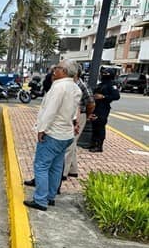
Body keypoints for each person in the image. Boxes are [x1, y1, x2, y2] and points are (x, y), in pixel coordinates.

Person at [24, 60, 81, 211]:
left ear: (64, 71)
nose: (54, 70)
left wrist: (41, 129)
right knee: (56, 167)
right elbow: (75, 111)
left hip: (53, 133)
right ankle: (50, 197)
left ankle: (40, 200)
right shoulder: (75, 88)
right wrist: (75, 123)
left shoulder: (59, 87)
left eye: (58, 68)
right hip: (66, 134)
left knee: (41, 166)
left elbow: (50, 111)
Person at [63, 67, 95, 177]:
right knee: (72, 142)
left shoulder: (82, 85)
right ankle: (73, 170)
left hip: (79, 115)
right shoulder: (69, 84)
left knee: (69, 143)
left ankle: (63, 172)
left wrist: (87, 114)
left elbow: (91, 103)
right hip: (71, 114)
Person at [88, 67, 120, 153]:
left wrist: (104, 97)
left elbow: (116, 96)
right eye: (103, 73)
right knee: (95, 125)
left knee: (100, 126)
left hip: (103, 108)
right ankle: (93, 143)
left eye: (105, 73)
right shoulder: (101, 84)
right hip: (96, 106)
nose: (103, 75)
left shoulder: (112, 84)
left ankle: (99, 145)